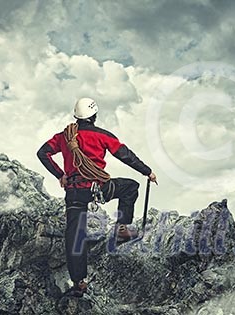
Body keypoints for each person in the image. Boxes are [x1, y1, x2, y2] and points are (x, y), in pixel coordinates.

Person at [37, 97, 157, 297]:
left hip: (74, 192)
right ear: (94, 116)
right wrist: (147, 171)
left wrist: (60, 175)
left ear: (76, 116)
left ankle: (79, 283)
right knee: (130, 187)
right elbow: (125, 155)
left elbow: (42, 153)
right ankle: (122, 230)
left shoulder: (64, 137)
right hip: (98, 187)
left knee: (75, 235)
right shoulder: (102, 136)